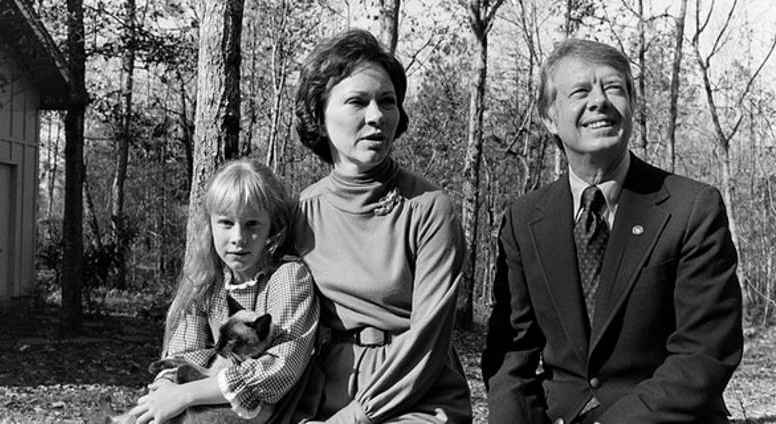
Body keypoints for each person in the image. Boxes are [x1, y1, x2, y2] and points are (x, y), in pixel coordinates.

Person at [481, 39, 743, 424]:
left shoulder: (691, 208)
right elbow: (511, 356)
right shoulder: (524, 220)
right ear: (550, 118)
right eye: (580, 91)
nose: (599, 101)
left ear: (632, 107)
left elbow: (703, 351)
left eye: (614, 88)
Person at [291, 29, 472, 423]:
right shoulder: (301, 212)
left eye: (387, 102)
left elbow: (428, 341)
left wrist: (355, 417)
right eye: (357, 101)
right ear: (319, 117)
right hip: (322, 395)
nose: (377, 116)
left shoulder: (429, 209)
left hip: (417, 399)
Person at [130, 159, 319, 424]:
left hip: (264, 412)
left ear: (272, 227)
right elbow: (185, 352)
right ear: (210, 225)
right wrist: (165, 389)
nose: (238, 237)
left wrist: (185, 395)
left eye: (252, 224)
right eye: (227, 223)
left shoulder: (288, 277)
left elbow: (279, 370)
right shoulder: (207, 279)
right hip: (206, 398)